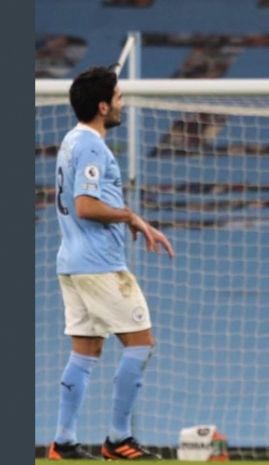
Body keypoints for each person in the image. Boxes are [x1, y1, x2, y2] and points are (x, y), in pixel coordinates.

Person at [48, 66, 174, 461]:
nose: (122, 103)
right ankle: (118, 438)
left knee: (84, 353)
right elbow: (86, 206)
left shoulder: (71, 141)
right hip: (98, 263)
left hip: (71, 261)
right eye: (118, 97)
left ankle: (63, 441)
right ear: (103, 106)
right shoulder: (91, 147)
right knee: (141, 344)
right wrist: (131, 216)